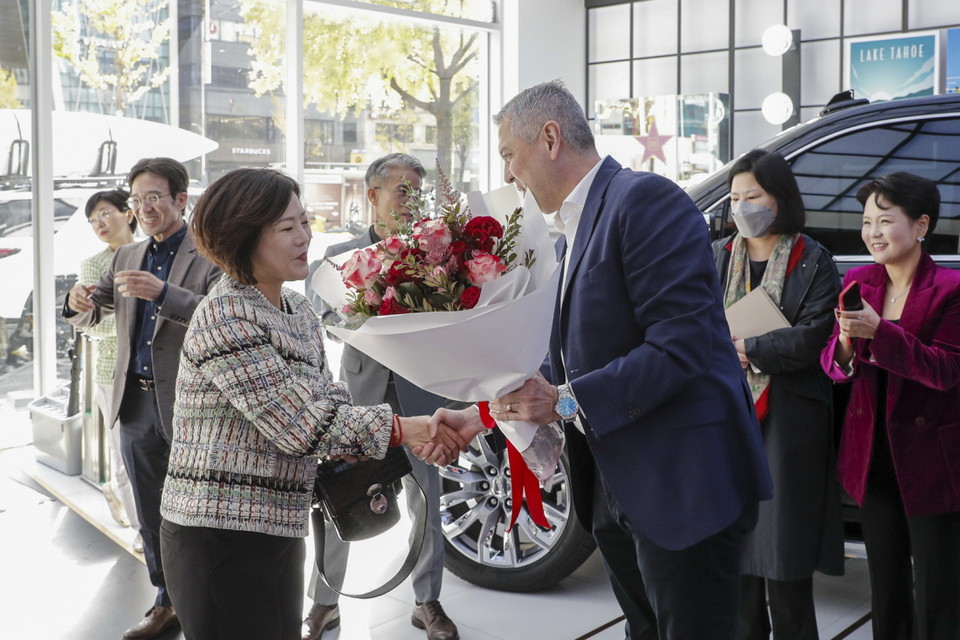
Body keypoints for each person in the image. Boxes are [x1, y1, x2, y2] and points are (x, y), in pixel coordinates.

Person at [425, 80, 773, 640]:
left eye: (509, 157)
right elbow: (569, 359)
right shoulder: (569, 228)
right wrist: (481, 414)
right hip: (615, 487)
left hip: (682, 484)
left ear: (550, 138)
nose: (509, 176)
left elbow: (679, 347)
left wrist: (563, 400)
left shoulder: (644, 201)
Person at [157, 167, 466, 640]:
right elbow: (300, 425)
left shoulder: (296, 309)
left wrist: (390, 438)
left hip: (279, 523)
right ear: (242, 238)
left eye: (304, 222)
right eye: (287, 228)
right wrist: (409, 430)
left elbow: (328, 399)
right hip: (217, 535)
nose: (304, 236)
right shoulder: (224, 315)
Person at [302, 154, 460, 640]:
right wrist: (358, 309)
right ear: (373, 196)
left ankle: (427, 603)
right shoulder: (341, 256)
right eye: (402, 191)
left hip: (420, 395)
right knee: (339, 499)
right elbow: (320, 318)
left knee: (427, 504)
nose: (412, 202)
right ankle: (324, 604)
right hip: (359, 398)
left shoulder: (435, 256)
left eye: (418, 191)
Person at [64, 157, 222, 640]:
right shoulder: (126, 256)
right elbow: (98, 310)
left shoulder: (212, 252)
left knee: (200, 511)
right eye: (138, 199)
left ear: (181, 199)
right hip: (134, 404)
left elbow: (222, 318)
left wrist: (165, 293)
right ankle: (166, 600)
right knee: (151, 515)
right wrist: (78, 303)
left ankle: (210, 604)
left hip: (192, 409)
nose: (145, 207)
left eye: (155, 197)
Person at [820, 172, 960, 640]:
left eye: (885, 220)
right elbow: (835, 365)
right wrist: (843, 340)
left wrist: (881, 332)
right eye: (866, 222)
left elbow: (945, 370)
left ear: (921, 226)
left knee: (940, 587)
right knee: (886, 584)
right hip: (872, 455)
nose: (872, 232)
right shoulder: (860, 280)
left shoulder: (950, 288)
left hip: (931, 460)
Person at [712, 150, 844, 640]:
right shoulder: (721, 255)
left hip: (789, 423)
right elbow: (696, 325)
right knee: (737, 560)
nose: (744, 206)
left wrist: (746, 347)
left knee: (785, 560)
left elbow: (812, 338)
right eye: (736, 197)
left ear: (780, 198)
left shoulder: (812, 258)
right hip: (730, 418)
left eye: (755, 195)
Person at [77, 189, 141, 540]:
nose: (98, 223)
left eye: (104, 213)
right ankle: (139, 530)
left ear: (128, 214)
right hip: (111, 371)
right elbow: (95, 324)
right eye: (92, 220)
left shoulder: (152, 253)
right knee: (123, 454)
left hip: (155, 371)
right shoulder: (94, 264)